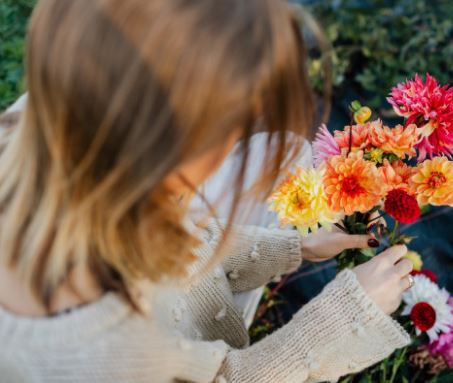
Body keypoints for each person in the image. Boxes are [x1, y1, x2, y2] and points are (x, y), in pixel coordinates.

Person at [0, 0, 414, 382]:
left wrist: (296, 247)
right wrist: (342, 318)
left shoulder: (41, 120)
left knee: (285, 152)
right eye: (228, 132)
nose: (234, 143)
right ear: (162, 156)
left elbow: (167, 244)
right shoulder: (108, 355)